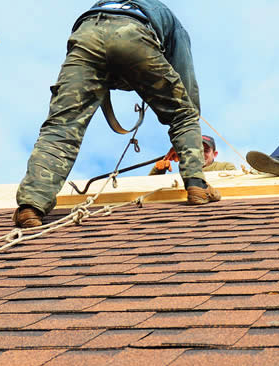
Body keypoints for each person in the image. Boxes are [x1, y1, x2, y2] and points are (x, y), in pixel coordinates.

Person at [13, 0, 220, 229]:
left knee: (62, 127)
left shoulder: (106, 4)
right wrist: (187, 138)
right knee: (184, 113)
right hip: (133, 33)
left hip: (86, 34)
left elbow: (104, 56)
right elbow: (184, 76)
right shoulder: (166, 16)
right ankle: (197, 185)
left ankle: (31, 205)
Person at [149, 134, 236, 174]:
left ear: (215, 154)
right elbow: (148, 191)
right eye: (198, 150)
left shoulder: (226, 167)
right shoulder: (185, 171)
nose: (201, 154)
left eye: (206, 150)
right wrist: (158, 171)